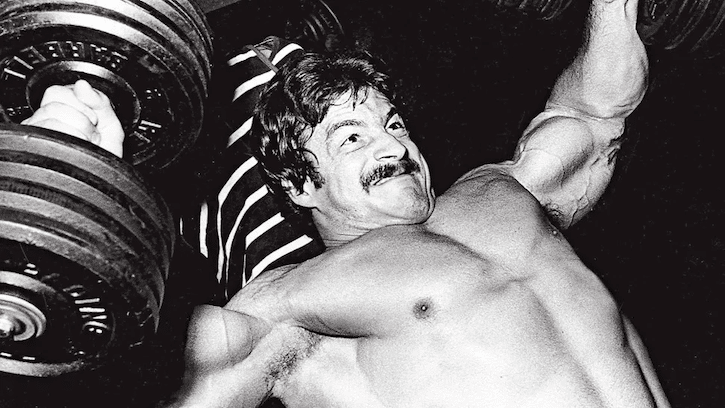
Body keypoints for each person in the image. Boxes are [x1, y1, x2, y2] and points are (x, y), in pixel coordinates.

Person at [24, 0, 669, 406]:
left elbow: (595, 111)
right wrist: (72, 169)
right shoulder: (288, 304)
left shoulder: (501, 191)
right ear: (301, 185)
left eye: (393, 123)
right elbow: (83, 330)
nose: (391, 143)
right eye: (351, 138)